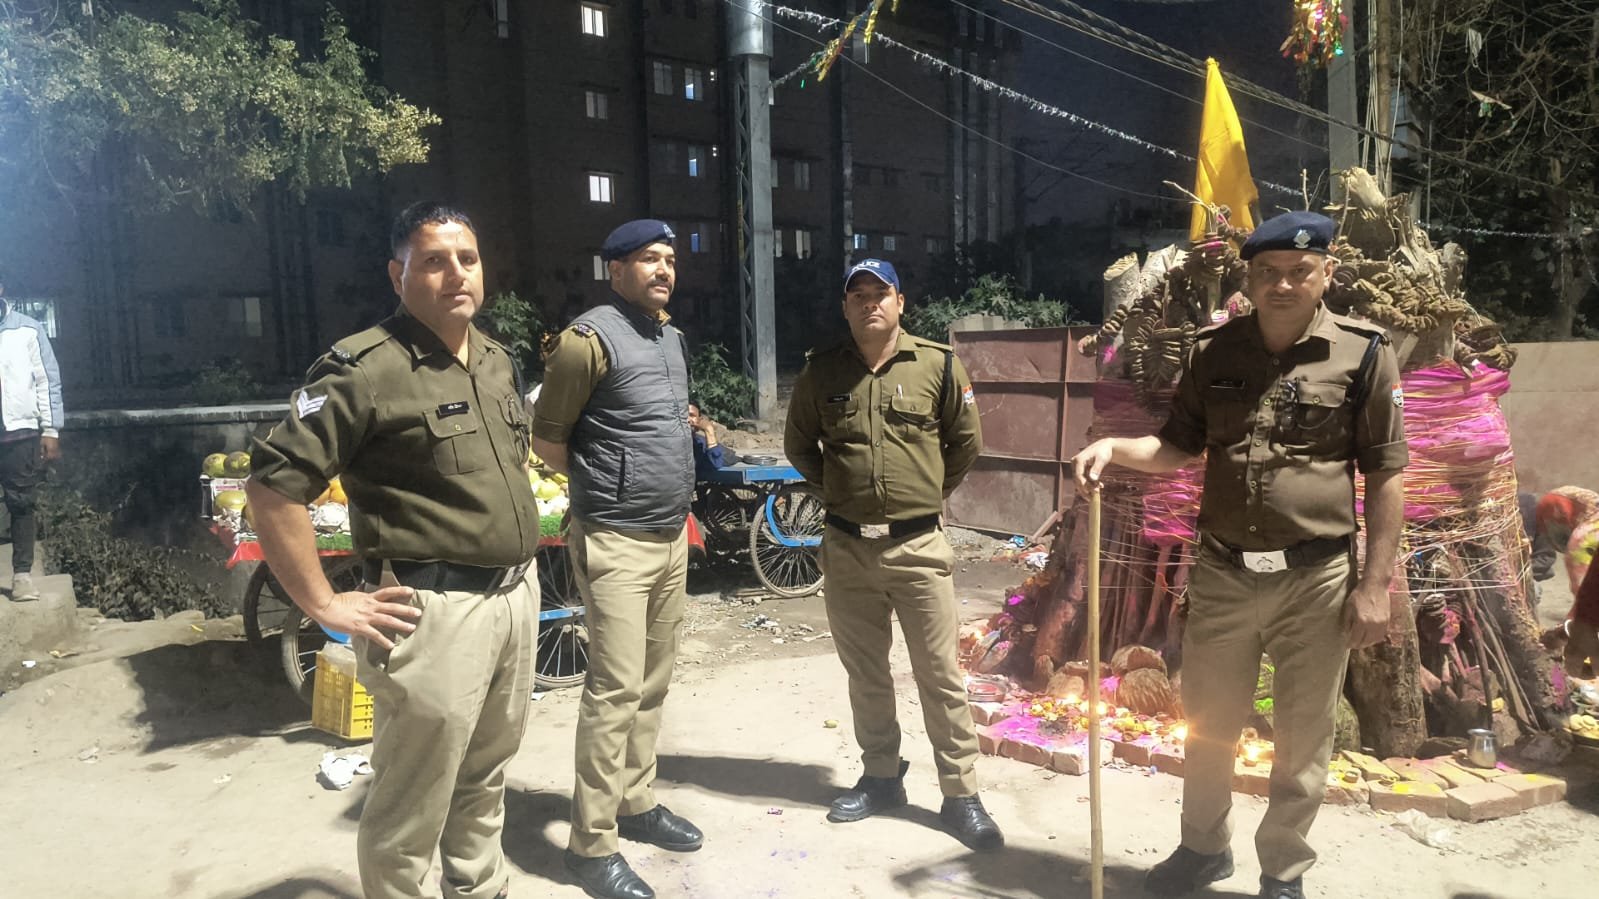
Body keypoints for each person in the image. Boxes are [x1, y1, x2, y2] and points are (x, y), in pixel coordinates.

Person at [1070, 211, 1407, 899]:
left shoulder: (1364, 354)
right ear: (1248, 279)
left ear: (1326, 275)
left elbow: (1386, 473)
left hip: (1315, 579)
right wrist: (1114, 448)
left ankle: (1283, 870)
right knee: (1207, 727)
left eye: (1298, 271)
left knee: (1302, 737)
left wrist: (1375, 584)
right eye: (1267, 272)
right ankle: (1203, 849)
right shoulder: (1213, 352)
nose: (1282, 284)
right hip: (1224, 572)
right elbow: (1176, 445)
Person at [247, 202, 540, 899]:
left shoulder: (495, 360)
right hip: (432, 612)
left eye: (466, 258)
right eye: (433, 261)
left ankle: (478, 889)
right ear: (396, 274)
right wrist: (323, 602)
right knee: (413, 801)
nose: (455, 273)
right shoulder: (364, 369)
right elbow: (272, 487)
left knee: (484, 776)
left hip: (515, 597)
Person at [784, 258, 1003, 852]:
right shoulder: (821, 370)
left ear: (900, 302)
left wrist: (924, 495)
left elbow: (966, 442)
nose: (869, 303)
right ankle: (882, 778)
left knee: (940, 675)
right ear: (845, 306)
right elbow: (800, 445)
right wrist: (840, 493)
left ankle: (961, 794)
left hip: (918, 547)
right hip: (847, 548)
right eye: (857, 294)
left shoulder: (938, 364)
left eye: (879, 293)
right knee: (867, 674)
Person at [532, 219, 699, 899]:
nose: (663, 270)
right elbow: (548, 440)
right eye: (648, 259)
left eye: (669, 260)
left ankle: (636, 801)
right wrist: (607, 488)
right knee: (613, 691)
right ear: (617, 270)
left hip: (670, 537)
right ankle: (590, 844)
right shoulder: (587, 341)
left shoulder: (671, 338)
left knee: (652, 683)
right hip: (615, 540)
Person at [0, 269, 63, 602]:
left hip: (19, 433)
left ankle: (22, 575)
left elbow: (47, 382)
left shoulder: (28, 329)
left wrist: (50, 429)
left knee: (22, 503)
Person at [687, 401, 730, 478]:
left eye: (691, 415)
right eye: (684, 416)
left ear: (700, 420)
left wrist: (709, 430)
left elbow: (716, 463)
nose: (688, 419)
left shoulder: (700, 444)